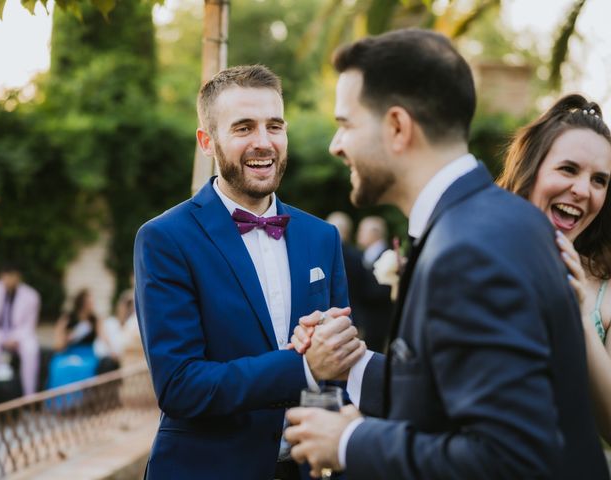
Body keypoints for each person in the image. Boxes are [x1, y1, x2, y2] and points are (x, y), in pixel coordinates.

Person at [284, 29, 608, 479]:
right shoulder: (502, 220)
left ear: (397, 127)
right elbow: (449, 394)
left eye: (346, 124)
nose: (336, 145)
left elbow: (511, 457)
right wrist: (352, 363)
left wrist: (349, 442)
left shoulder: (469, 250)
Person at [133, 64, 365, 480]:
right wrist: (305, 366)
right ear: (208, 141)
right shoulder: (165, 238)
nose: (264, 143)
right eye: (243, 128)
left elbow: (338, 367)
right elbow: (180, 385)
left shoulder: (322, 236)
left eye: (274, 126)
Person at [498, 93, 611, 442]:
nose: (582, 190)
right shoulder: (472, 259)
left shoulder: (605, 294)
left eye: (599, 180)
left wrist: (579, 316)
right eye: (568, 169)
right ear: (530, 170)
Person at [0, 264, 40, 396]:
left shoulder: (31, 295)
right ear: (1, 276)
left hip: (20, 333)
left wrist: (14, 339)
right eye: (5, 277)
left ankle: (30, 394)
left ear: (18, 277)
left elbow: (30, 325)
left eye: (11, 277)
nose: (8, 280)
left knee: (31, 350)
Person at [47, 289, 100, 390]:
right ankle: (61, 403)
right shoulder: (67, 318)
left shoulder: (95, 320)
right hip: (68, 353)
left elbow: (104, 337)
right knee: (59, 367)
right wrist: (67, 338)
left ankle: (81, 402)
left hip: (87, 355)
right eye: (89, 302)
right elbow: (58, 345)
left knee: (84, 369)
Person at [354, 216, 393, 352]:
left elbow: (385, 289)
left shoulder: (388, 255)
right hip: (366, 318)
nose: (358, 234)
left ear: (374, 233)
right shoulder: (363, 254)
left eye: (362, 230)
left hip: (380, 320)